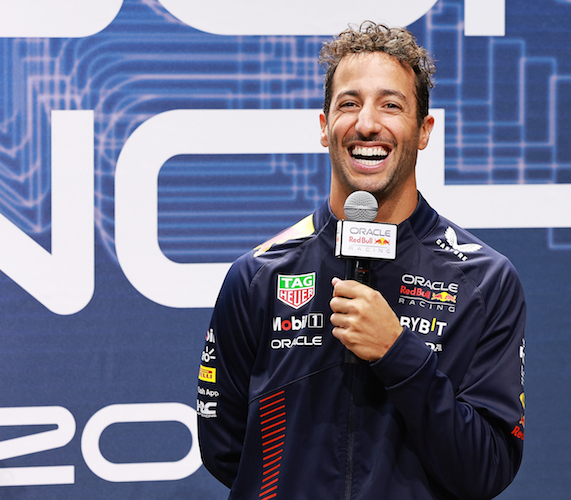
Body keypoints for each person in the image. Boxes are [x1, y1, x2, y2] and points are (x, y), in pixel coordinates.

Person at [197, 22, 526, 500]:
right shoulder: (257, 276)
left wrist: (398, 353)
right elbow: (226, 450)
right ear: (324, 126)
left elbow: (487, 468)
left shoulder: (485, 280)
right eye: (349, 103)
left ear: (424, 131)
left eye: (391, 105)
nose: (367, 124)